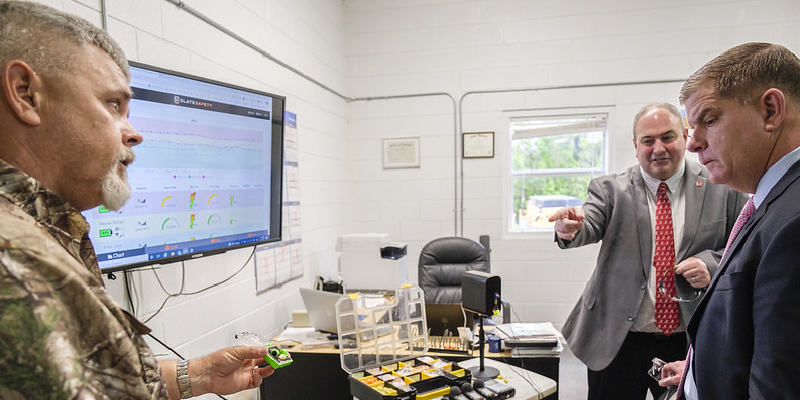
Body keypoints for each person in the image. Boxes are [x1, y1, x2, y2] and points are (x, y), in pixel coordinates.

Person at [0, 2, 274, 399]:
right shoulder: (15, 257)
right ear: (26, 94)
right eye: (114, 105)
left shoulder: (45, 228)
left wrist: (199, 375)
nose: (133, 133)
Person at [548, 102, 748, 399]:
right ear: (635, 145)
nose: (659, 148)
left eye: (668, 137)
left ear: (685, 136)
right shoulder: (610, 190)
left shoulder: (722, 187)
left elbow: (745, 245)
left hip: (689, 338)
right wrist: (569, 228)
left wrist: (711, 263)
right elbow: (587, 223)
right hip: (618, 340)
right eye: (648, 140)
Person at [658, 42, 800, 399]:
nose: (694, 144)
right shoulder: (771, 201)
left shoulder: (793, 220)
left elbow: (777, 386)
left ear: (771, 110)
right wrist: (698, 370)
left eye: (709, 119)